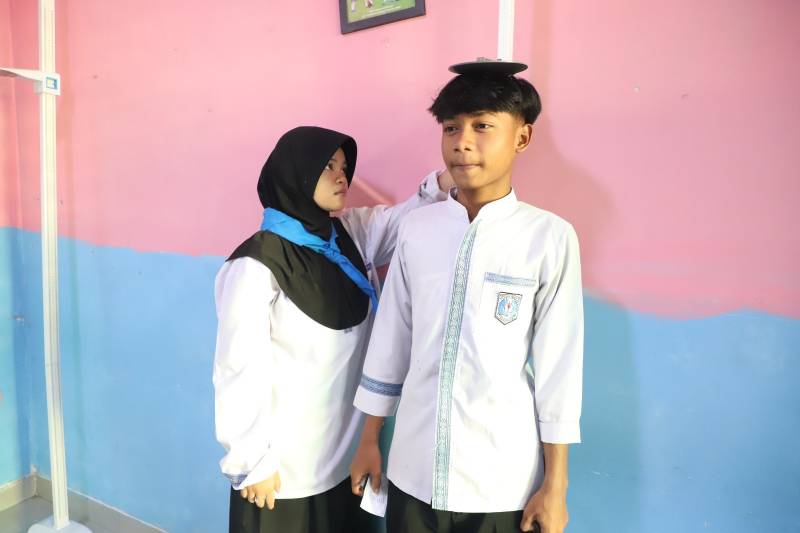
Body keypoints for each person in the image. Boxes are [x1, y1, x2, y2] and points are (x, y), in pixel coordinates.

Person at [350, 63, 584, 533]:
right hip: (413, 470)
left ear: (522, 137)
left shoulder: (548, 238)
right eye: (451, 128)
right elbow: (392, 339)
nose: (462, 142)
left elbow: (560, 369)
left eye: (482, 126)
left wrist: (556, 484)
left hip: (501, 480)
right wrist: (369, 438)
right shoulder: (418, 230)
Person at [213, 125, 452, 533]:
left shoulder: (346, 235)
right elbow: (237, 370)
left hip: (343, 458)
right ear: (297, 173)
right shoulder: (255, 265)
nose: (342, 177)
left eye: (344, 167)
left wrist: (451, 176)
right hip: (281, 471)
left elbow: (404, 220)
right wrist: (250, 462)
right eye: (328, 166)